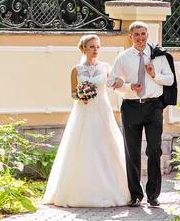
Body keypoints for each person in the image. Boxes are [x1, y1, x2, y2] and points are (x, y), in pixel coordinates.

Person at [43, 34, 130, 207]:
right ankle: (77, 190)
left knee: (104, 145)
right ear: (84, 48)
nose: (96, 50)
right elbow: (73, 93)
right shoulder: (76, 70)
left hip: (102, 111)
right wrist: (80, 96)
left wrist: (122, 80)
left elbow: (116, 82)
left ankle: (113, 188)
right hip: (83, 112)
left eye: (98, 47)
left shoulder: (106, 67)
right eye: (92, 47)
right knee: (83, 145)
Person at [107, 21, 174, 207]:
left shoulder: (158, 57)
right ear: (131, 37)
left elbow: (170, 80)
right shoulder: (123, 57)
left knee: (154, 150)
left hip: (153, 107)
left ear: (148, 35)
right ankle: (136, 194)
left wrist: (154, 75)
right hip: (131, 107)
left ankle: (153, 194)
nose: (141, 37)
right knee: (132, 152)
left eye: (143, 33)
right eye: (136, 34)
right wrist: (129, 86)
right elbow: (110, 82)